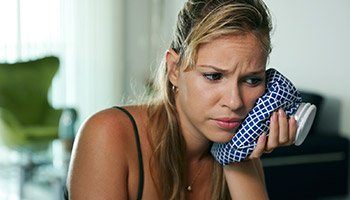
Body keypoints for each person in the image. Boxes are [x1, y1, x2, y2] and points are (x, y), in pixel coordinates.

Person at [66, 0, 298, 199]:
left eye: (251, 80)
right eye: (214, 76)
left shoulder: (241, 153)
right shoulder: (108, 135)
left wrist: (237, 158)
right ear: (174, 69)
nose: (235, 102)